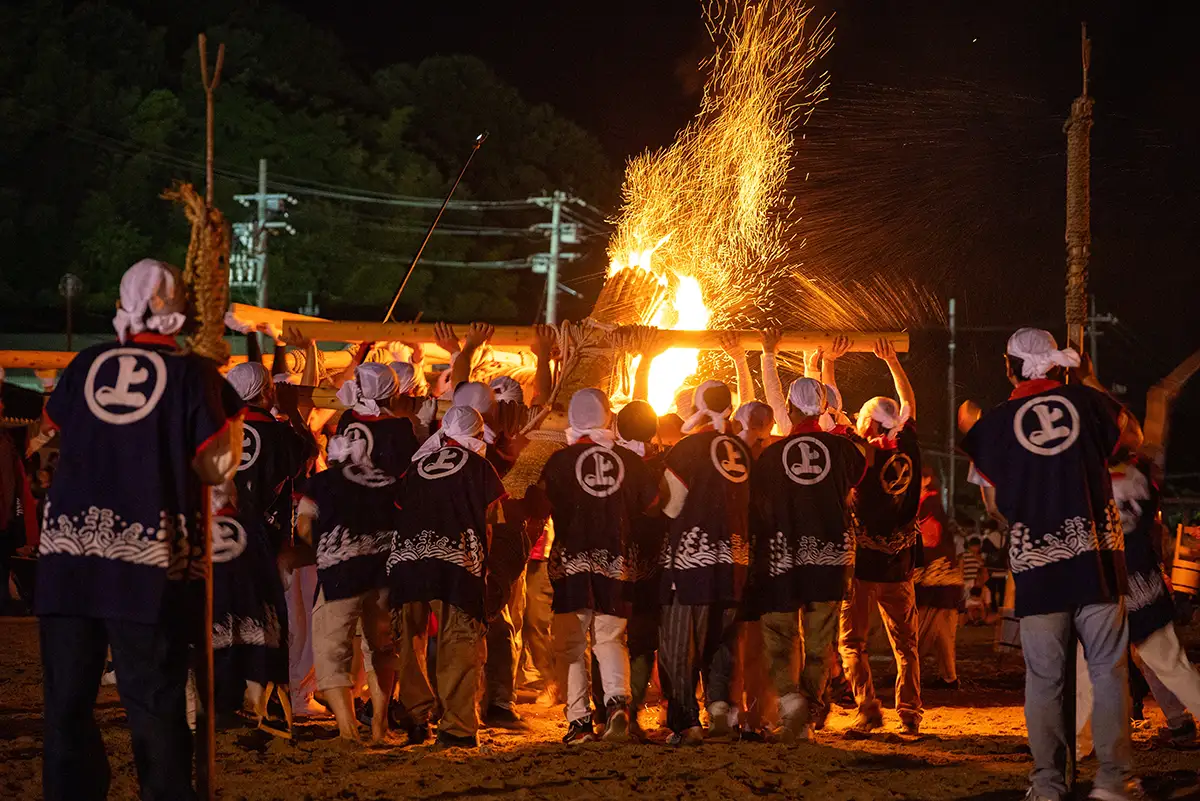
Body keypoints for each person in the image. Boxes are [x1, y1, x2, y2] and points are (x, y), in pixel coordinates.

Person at [35, 259, 242, 801]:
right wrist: (227, 405)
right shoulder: (191, 375)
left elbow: (53, 433)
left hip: (69, 558)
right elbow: (216, 469)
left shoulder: (84, 364)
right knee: (154, 708)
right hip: (146, 566)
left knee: (65, 707)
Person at [961, 328, 1135, 801]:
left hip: (1037, 564)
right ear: (1062, 366)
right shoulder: (1088, 402)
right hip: (1096, 559)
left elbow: (996, 506)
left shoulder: (993, 427)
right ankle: (1113, 781)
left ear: (1009, 366)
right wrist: (1090, 383)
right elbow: (1132, 436)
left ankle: (1047, 784)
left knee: (1045, 679)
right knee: (1108, 670)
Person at [528, 389, 659, 743]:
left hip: (570, 564)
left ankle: (579, 722)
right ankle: (618, 706)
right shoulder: (628, 461)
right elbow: (653, 502)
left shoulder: (559, 461)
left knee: (571, 644)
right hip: (616, 561)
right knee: (611, 638)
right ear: (606, 416)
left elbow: (538, 507)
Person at [748, 378, 867, 741]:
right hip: (831, 558)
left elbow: (760, 506)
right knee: (820, 643)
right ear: (824, 407)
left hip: (783, 558)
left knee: (780, 637)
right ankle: (811, 716)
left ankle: (791, 707)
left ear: (791, 407)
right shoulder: (845, 451)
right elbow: (855, 482)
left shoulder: (770, 455)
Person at [388, 406, 506, 748]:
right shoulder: (481, 468)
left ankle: (416, 718)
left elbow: (399, 511)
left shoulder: (416, 467)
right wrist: (484, 569)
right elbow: (489, 522)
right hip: (456, 562)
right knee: (459, 643)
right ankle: (456, 727)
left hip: (407, 561)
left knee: (410, 642)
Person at [837, 339, 924, 736]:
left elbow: (828, 419)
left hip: (863, 567)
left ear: (869, 424)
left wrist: (824, 368)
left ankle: (868, 707)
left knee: (853, 642)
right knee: (906, 646)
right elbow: (909, 404)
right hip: (900, 564)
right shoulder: (908, 442)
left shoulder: (861, 454)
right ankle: (910, 713)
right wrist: (892, 362)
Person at [659, 380, 752, 745]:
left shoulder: (687, 448)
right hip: (735, 560)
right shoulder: (741, 448)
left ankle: (686, 722)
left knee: (680, 644)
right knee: (723, 639)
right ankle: (720, 712)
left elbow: (670, 504)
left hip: (689, 563)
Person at [296, 434, 399, 744]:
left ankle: (348, 731)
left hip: (340, 576)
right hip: (383, 575)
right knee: (380, 651)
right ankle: (380, 727)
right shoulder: (388, 480)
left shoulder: (320, 483)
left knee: (332, 653)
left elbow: (303, 528)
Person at [914, 468, 963, 691]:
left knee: (920, 626)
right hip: (945, 578)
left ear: (926, 480)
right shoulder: (929, 505)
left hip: (933, 577)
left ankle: (909, 672)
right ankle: (949, 677)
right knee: (944, 631)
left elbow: (930, 538)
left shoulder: (928, 506)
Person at [335, 362, 419, 479]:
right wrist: (423, 428)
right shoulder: (398, 427)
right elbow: (411, 466)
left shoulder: (347, 416)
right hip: (380, 493)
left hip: (345, 487)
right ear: (393, 396)